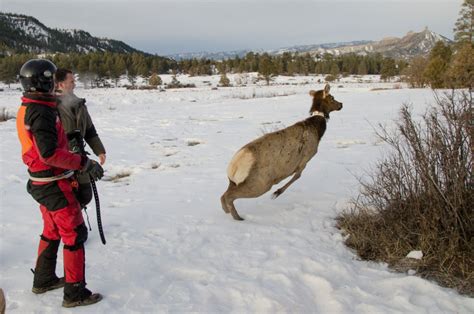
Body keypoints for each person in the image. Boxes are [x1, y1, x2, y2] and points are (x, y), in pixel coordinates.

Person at [16, 59, 104, 308]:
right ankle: (75, 293)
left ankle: (43, 279)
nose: (55, 82)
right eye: (52, 78)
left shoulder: (31, 106)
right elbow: (49, 153)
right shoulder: (40, 112)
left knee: (52, 230)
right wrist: (83, 163)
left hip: (42, 181)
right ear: (43, 81)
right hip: (53, 182)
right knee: (75, 233)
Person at [54, 69, 106, 208]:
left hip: (80, 157)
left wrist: (99, 150)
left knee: (85, 195)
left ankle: (75, 224)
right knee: (67, 199)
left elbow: (89, 130)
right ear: (60, 84)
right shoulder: (52, 107)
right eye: (71, 81)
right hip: (62, 160)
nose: (74, 84)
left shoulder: (79, 104)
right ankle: (70, 227)